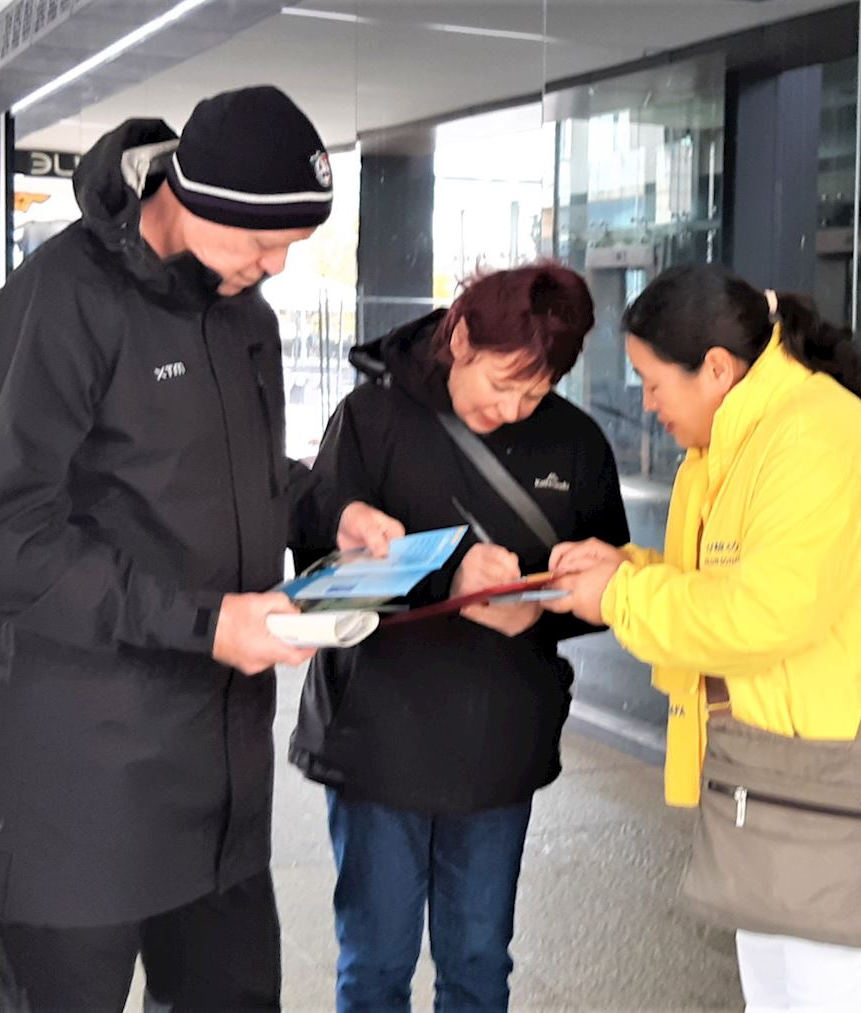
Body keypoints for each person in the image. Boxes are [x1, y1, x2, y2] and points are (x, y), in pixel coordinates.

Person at [0, 85, 402, 1011]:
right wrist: (206, 624)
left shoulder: (243, 316)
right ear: (190, 196)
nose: (275, 266)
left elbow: (231, 468)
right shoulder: (62, 298)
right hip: (80, 786)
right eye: (261, 242)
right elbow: (1, 534)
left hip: (218, 794)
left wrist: (326, 513)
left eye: (291, 245)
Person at [544, 263, 861, 1011]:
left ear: (716, 368)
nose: (646, 403)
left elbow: (763, 614)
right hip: (781, 788)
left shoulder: (815, 439)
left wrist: (622, 596)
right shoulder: (736, 443)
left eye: (653, 382)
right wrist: (627, 569)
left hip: (844, 799)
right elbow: (723, 583)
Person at [290, 263, 630, 1012]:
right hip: (380, 736)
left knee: (478, 962)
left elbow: (612, 583)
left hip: (498, 740)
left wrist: (544, 608)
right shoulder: (372, 419)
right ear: (463, 338)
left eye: (534, 394)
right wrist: (448, 578)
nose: (511, 410)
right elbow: (319, 573)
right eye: (501, 384)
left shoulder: (575, 444)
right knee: (375, 963)